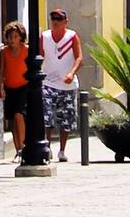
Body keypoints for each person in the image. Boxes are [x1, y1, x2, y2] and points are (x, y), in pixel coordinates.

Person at [38, 9, 84, 163]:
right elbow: (40, 56)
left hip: (68, 85)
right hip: (48, 83)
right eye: (53, 18)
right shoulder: (44, 37)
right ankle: (47, 148)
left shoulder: (72, 37)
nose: (55, 21)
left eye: (59, 19)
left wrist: (71, 73)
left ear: (65, 21)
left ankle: (62, 150)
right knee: (47, 117)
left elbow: (79, 58)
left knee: (66, 119)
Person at [0, 21, 29, 162]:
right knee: (13, 121)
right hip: (10, 88)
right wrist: (0, 88)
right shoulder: (4, 52)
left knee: (19, 115)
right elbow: (1, 71)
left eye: (15, 37)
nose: (12, 40)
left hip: (23, 87)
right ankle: (18, 150)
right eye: (10, 37)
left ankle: (23, 147)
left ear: (21, 37)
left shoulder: (27, 50)